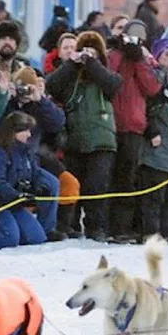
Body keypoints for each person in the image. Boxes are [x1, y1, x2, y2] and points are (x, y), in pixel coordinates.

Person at [45, 31, 123, 241]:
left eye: (93, 50)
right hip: (75, 140)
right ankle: (70, 225)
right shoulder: (71, 78)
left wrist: (93, 63)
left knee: (97, 186)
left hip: (102, 141)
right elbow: (52, 85)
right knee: (74, 184)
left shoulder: (105, 76)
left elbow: (113, 85)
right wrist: (73, 64)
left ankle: (95, 227)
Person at [107, 19, 161, 243]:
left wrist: (138, 57)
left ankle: (126, 227)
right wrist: (121, 51)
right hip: (111, 124)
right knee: (113, 178)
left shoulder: (143, 58)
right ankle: (113, 227)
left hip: (134, 125)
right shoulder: (113, 54)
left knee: (130, 178)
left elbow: (152, 87)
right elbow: (110, 78)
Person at [0, 112, 60, 249]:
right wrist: (16, 196)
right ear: (13, 131)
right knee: (9, 237)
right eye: (25, 130)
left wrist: (40, 189)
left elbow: (35, 174)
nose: (29, 135)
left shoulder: (27, 153)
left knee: (37, 238)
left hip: (16, 205)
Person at [138, 59, 168, 240]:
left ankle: (167, 233)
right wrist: (151, 132)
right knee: (154, 197)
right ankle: (151, 233)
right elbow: (146, 115)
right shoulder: (158, 94)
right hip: (156, 152)